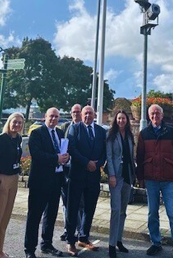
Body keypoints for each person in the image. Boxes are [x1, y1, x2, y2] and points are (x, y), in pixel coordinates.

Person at [136, 104, 173, 258]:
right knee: (152, 213)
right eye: (152, 114)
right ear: (148, 115)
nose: (155, 116)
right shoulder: (144, 134)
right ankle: (155, 242)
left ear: (162, 115)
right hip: (151, 179)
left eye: (157, 113)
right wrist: (141, 177)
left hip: (167, 180)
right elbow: (139, 156)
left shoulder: (171, 133)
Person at [24, 108, 69, 258]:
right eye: (51, 116)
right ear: (45, 117)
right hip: (40, 182)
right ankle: (30, 249)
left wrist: (65, 157)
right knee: (34, 216)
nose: (54, 119)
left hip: (56, 180)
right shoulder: (36, 133)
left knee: (51, 215)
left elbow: (62, 153)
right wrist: (56, 158)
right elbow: (37, 155)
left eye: (56, 116)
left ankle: (47, 244)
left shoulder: (60, 133)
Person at [65, 105, 107, 256]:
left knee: (90, 208)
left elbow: (105, 151)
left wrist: (98, 163)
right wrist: (86, 162)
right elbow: (72, 149)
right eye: (85, 113)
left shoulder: (102, 131)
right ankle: (70, 241)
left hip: (93, 176)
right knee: (72, 208)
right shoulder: (74, 129)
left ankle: (84, 237)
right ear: (81, 115)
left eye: (90, 113)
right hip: (77, 175)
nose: (87, 116)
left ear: (94, 114)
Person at [0, 112, 25, 258]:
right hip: (1, 179)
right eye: (15, 122)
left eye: (20, 123)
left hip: (13, 179)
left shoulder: (18, 139)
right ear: (9, 122)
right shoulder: (2, 139)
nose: (17, 125)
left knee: (5, 218)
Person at [105, 109, 136, 258]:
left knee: (123, 211)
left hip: (127, 177)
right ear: (115, 120)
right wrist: (111, 175)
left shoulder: (129, 136)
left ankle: (119, 240)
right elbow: (109, 157)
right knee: (115, 210)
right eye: (119, 119)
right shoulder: (111, 135)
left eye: (123, 119)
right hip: (116, 177)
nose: (121, 121)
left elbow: (131, 156)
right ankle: (111, 244)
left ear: (127, 120)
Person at [56, 104, 84, 244]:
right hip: (65, 170)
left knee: (79, 203)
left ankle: (80, 230)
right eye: (73, 112)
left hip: (79, 170)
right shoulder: (65, 127)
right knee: (66, 202)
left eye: (78, 112)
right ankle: (68, 229)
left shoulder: (85, 127)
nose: (75, 114)